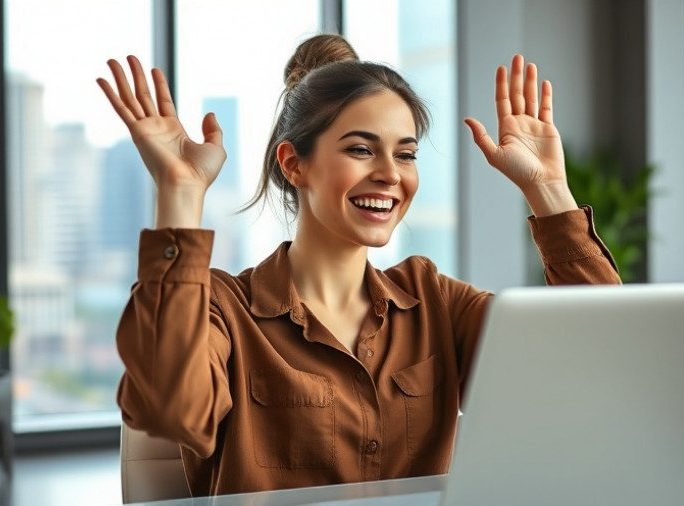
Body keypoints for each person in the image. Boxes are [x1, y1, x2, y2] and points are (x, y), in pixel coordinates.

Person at [97, 34, 620, 497]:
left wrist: (548, 189)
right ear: (294, 163)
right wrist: (180, 193)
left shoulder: (434, 300)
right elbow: (168, 408)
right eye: (361, 150)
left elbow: (598, 364)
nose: (391, 174)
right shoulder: (221, 309)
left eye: (406, 154)